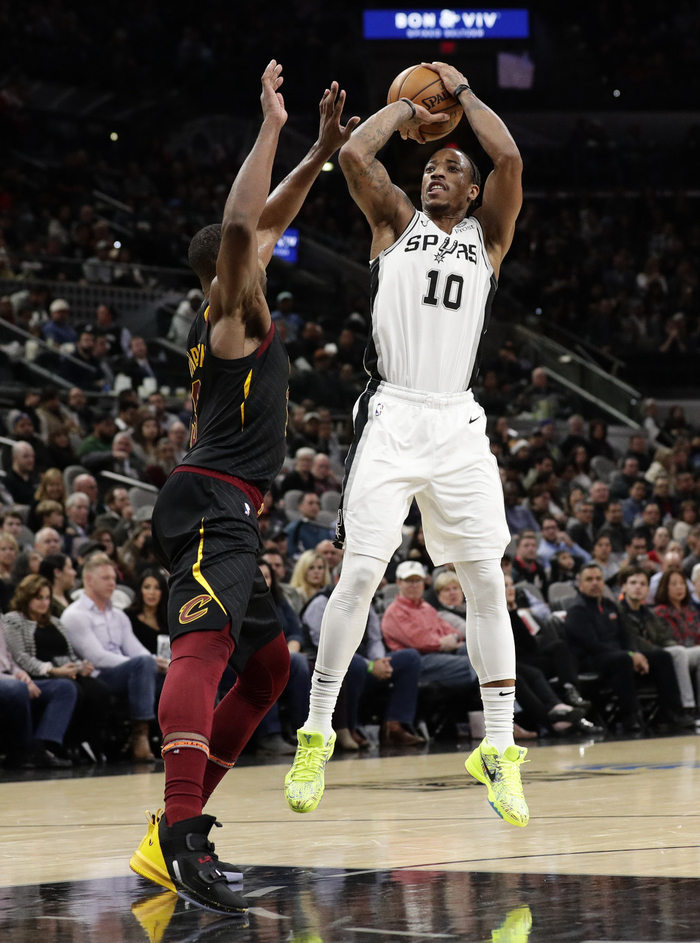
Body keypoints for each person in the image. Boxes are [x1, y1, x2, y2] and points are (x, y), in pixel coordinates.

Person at [129, 62, 360, 915]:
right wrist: (271, 127)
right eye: (257, 249)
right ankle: (180, 834)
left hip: (230, 505)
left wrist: (320, 153)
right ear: (230, 270)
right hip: (210, 500)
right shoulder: (233, 316)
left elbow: (264, 217)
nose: (267, 242)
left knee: (266, 670)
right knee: (204, 649)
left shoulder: (236, 309)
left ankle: (172, 824)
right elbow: (242, 222)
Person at [285, 60, 529, 828]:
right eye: (429, 168)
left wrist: (461, 94)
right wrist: (405, 111)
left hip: (457, 420)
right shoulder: (394, 222)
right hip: (392, 412)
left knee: (486, 580)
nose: (434, 174)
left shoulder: (489, 237)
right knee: (360, 573)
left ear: (473, 192)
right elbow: (356, 153)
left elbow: (509, 157)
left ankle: (498, 748)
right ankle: (317, 732)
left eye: (450, 169)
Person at [60, 553, 166, 761]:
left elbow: (136, 649)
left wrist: (158, 662)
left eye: (114, 578)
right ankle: (140, 735)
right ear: (88, 580)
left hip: (129, 672)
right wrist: (143, 663)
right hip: (97, 677)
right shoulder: (75, 615)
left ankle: (174, 734)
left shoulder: (118, 615)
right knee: (143, 665)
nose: (112, 583)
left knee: (171, 674)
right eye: (106, 578)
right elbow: (97, 658)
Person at [2, 574, 113, 759]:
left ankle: (80, 742)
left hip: (63, 671)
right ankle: (47, 745)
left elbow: (69, 654)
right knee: (71, 688)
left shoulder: (55, 622)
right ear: (26, 597)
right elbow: (20, 657)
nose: (44, 603)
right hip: (37, 674)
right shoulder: (13, 620)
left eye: (47, 598)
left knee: (98, 689)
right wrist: (53, 670)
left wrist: (80, 666)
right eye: (39, 598)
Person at [564, 563, 682, 732]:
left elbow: (625, 636)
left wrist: (635, 653)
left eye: (598, 579)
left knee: (662, 657)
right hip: (591, 659)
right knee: (622, 659)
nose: (595, 583)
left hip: (619, 655)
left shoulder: (609, 605)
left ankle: (671, 713)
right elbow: (592, 645)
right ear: (580, 585)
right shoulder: (577, 610)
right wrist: (629, 655)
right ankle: (631, 716)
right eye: (589, 579)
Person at [619, 566, 700, 721]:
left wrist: (673, 646)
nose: (638, 587)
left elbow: (663, 637)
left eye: (642, 584)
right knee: (678, 653)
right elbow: (635, 641)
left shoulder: (647, 612)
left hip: (663, 651)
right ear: (624, 586)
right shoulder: (619, 612)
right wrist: (667, 649)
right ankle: (686, 707)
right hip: (638, 655)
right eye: (633, 583)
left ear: (648, 589)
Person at [126, 570, 169, 653]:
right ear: (140, 590)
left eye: (157, 588)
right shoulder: (128, 617)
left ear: (163, 592)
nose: (152, 592)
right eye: (147, 587)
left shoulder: (169, 621)